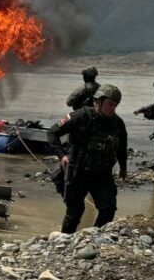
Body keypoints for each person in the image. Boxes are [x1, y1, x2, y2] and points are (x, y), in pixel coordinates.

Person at [48, 84, 128, 234]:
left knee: (108, 208)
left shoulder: (117, 123)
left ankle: (94, 237)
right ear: (98, 101)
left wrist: (123, 168)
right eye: (110, 104)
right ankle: (64, 240)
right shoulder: (80, 116)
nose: (113, 108)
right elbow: (52, 132)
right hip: (78, 172)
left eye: (115, 105)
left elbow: (122, 148)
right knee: (75, 211)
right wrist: (62, 155)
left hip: (102, 174)